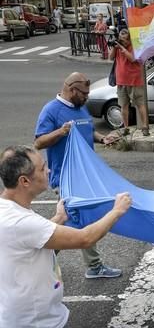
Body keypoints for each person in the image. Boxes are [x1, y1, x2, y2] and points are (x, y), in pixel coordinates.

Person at [0, 146, 132, 328]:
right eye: (41, 168)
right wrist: (117, 211)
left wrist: (58, 218)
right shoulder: (21, 222)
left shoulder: (9, 212)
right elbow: (85, 238)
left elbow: (35, 244)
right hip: (38, 327)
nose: (48, 170)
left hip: (20, 322)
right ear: (24, 181)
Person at [34, 72, 122, 279]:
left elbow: (87, 131)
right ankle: (89, 265)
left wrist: (102, 138)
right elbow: (38, 142)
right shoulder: (51, 110)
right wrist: (60, 132)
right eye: (83, 93)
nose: (87, 97)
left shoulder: (80, 107)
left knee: (76, 219)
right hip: (65, 177)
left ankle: (44, 261)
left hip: (85, 176)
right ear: (72, 90)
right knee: (71, 219)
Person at [109, 28, 150, 136]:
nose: (122, 41)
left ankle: (145, 127)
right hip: (121, 81)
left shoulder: (135, 47)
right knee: (124, 106)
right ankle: (126, 128)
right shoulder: (117, 48)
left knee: (140, 104)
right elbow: (110, 57)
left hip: (134, 80)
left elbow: (132, 59)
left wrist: (122, 47)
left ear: (129, 40)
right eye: (120, 39)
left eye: (124, 40)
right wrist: (114, 47)